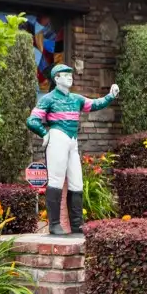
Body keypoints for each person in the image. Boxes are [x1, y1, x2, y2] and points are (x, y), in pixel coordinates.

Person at [26, 64, 119, 235]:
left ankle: (77, 225)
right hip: (57, 138)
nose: (70, 77)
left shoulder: (76, 99)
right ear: (56, 78)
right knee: (55, 180)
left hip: (72, 141)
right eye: (65, 74)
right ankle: (54, 224)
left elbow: (94, 104)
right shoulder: (48, 99)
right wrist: (44, 133)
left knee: (77, 181)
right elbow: (32, 120)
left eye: (71, 74)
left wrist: (110, 96)